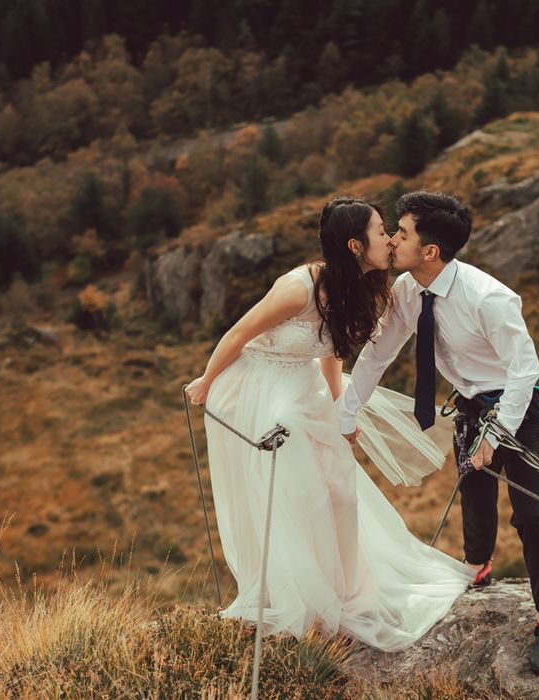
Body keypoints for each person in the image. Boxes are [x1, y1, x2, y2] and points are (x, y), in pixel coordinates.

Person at [185, 197, 470, 652]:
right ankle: (308, 602)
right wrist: (206, 381)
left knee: (340, 488)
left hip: (304, 385)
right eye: (382, 231)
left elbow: (332, 351)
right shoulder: (298, 287)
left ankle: (351, 592)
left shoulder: (363, 285)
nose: (391, 238)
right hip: (260, 385)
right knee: (301, 493)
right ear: (355, 244)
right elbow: (238, 333)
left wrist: (342, 407)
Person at [338, 191, 539, 674]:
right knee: (475, 491)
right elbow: (379, 354)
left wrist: (495, 435)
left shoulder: (490, 298)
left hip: (516, 408)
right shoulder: (405, 289)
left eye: (402, 232)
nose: (393, 239)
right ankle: (477, 567)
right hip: (467, 404)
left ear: (430, 251)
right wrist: (347, 411)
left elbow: (525, 372)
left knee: (529, 513)